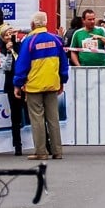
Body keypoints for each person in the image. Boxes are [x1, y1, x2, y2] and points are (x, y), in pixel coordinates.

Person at [14, 11, 68, 161]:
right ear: (45, 23)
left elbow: (22, 65)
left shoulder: (29, 41)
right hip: (52, 84)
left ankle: (41, 151)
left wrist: (18, 84)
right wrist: (62, 81)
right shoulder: (56, 40)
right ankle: (57, 151)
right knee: (53, 118)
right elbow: (63, 63)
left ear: (32, 25)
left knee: (37, 118)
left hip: (34, 86)